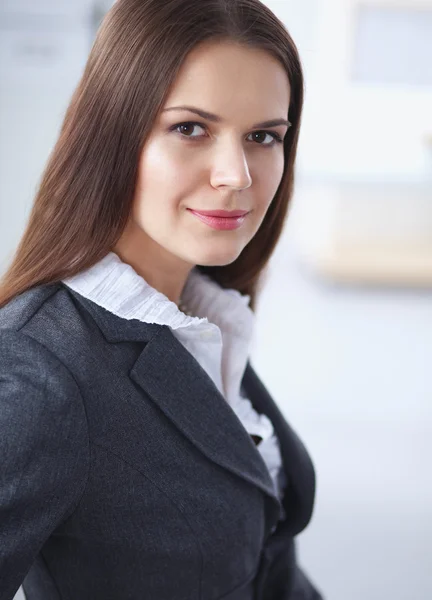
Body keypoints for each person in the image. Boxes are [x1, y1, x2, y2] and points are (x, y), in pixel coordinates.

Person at [0, 0, 324, 598]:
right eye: (191, 128)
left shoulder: (202, 318)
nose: (237, 175)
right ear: (113, 134)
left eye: (263, 136)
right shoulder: (38, 369)